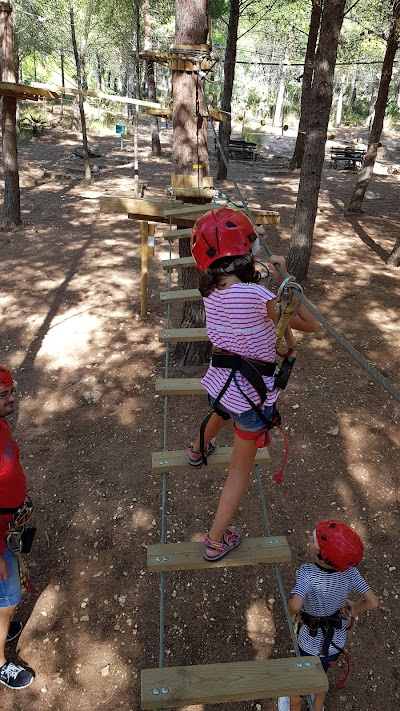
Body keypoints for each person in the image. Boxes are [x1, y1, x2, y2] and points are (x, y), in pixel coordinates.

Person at [185, 208, 319, 562]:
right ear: (246, 253)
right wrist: (286, 279)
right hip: (252, 392)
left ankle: (197, 449)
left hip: (223, 381)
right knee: (239, 470)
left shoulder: (210, 293)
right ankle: (215, 539)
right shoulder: (259, 297)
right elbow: (309, 325)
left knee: (223, 409)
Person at [277, 520, 378, 711]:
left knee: (296, 684)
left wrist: (291, 617)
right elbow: (373, 602)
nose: (309, 538)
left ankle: (292, 707)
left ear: (323, 555)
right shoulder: (350, 572)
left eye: (313, 539)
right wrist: (354, 608)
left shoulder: (307, 572)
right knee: (320, 676)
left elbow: (295, 604)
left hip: (309, 641)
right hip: (335, 642)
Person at [0, 365, 34, 689]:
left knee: (6, 595)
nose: (12, 398)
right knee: (8, 595)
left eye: (12, 390)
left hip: (10, 522)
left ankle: (4, 623)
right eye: (3, 394)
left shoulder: (1, 424)